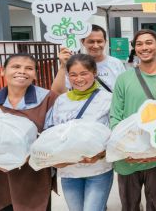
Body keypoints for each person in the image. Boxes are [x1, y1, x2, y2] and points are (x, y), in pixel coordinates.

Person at [0, 53, 63, 211]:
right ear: (3, 71)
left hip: (34, 179)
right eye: (16, 66)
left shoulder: (48, 99)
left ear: (35, 74)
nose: (22, 71)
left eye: (29, 68)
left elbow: (54, 140)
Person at [111, 29, 156, 211]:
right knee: (129, 205)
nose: (144, 47)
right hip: (127, 157)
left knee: (155, 204)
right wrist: (126, 149)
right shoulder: (124, 78)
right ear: (135, 49)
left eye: (149, 43)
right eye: (139, 44)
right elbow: (115, 116)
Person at [47, 54, 113, 211]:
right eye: (73, 75)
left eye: (84, 73)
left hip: (98, 169)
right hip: (68, 171)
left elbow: (114, 133)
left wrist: (99, 154)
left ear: (94, 73)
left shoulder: (108, 99)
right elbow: (52, 131)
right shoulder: (61, 101)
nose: (79, 79)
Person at [80, 24, 126, 92]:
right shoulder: (76, 64)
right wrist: (63, 66)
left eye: (99, 41)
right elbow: (60, 91)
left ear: (105, 42)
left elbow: (125, 89)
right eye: (91, 42)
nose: (96, 46)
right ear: (83, 42)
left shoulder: (116, 63)